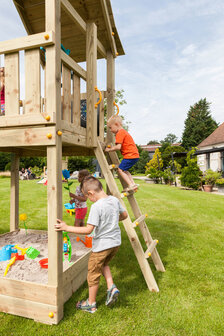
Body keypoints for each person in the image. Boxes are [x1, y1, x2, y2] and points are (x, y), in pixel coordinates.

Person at [55, 176, 128, 313]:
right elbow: (124, 215)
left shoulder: (96, 206)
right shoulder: (114, 200)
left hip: (102, 246)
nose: (89, 200)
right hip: (115, 243)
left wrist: (66, 227)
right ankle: (111, 286)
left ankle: (91, 303)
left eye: (88, 197)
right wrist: (111, 221)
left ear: (91, 194)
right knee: (104, 264)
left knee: (93, 273)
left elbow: (88, 230)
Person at [105, 115, 139, 191]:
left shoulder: (120, 133)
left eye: (110, 127)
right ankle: (133, 184)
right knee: (125, 170)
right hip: (135, 155)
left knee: (120, 170)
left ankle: (130, 185)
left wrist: (109, 149)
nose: (110, 130)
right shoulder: (124, 132)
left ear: (117, 124)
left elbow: (118, 147)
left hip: (130, 155)